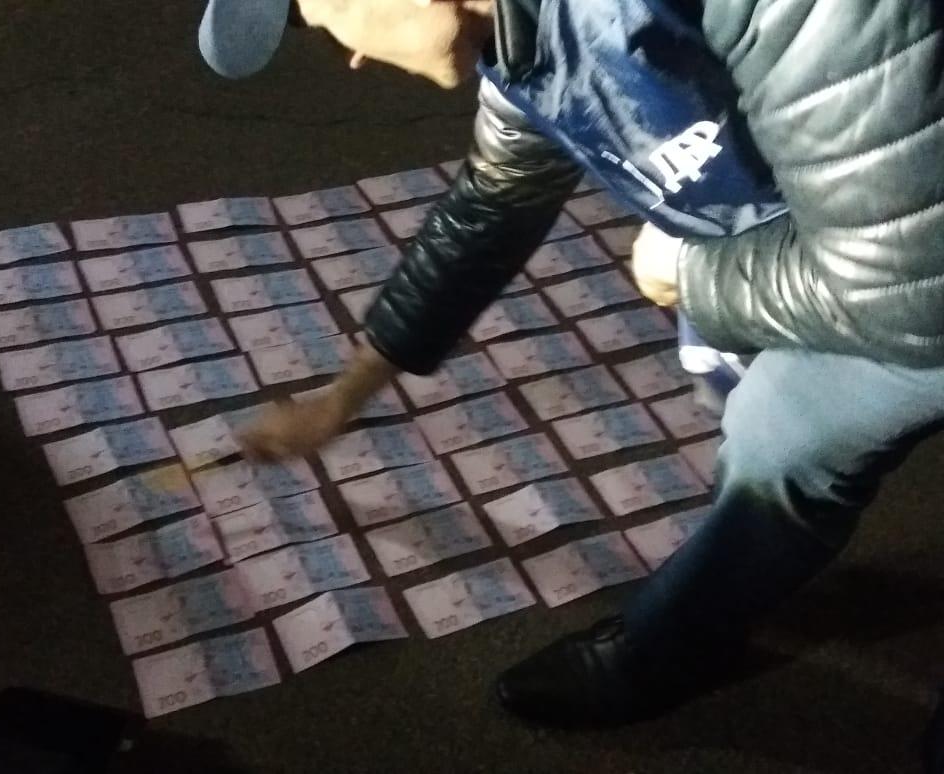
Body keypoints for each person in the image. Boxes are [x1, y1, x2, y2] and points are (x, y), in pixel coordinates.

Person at [199, 0, 944, 725]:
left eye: (329, 27)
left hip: (911, 277)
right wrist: (343, 397)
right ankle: (673, 646)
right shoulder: (516, 36)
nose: (356, 60)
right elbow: (493, 205)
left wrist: (691, 274)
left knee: (780, 428)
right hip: (861, 238)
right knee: (776, 439)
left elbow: (911, 293)